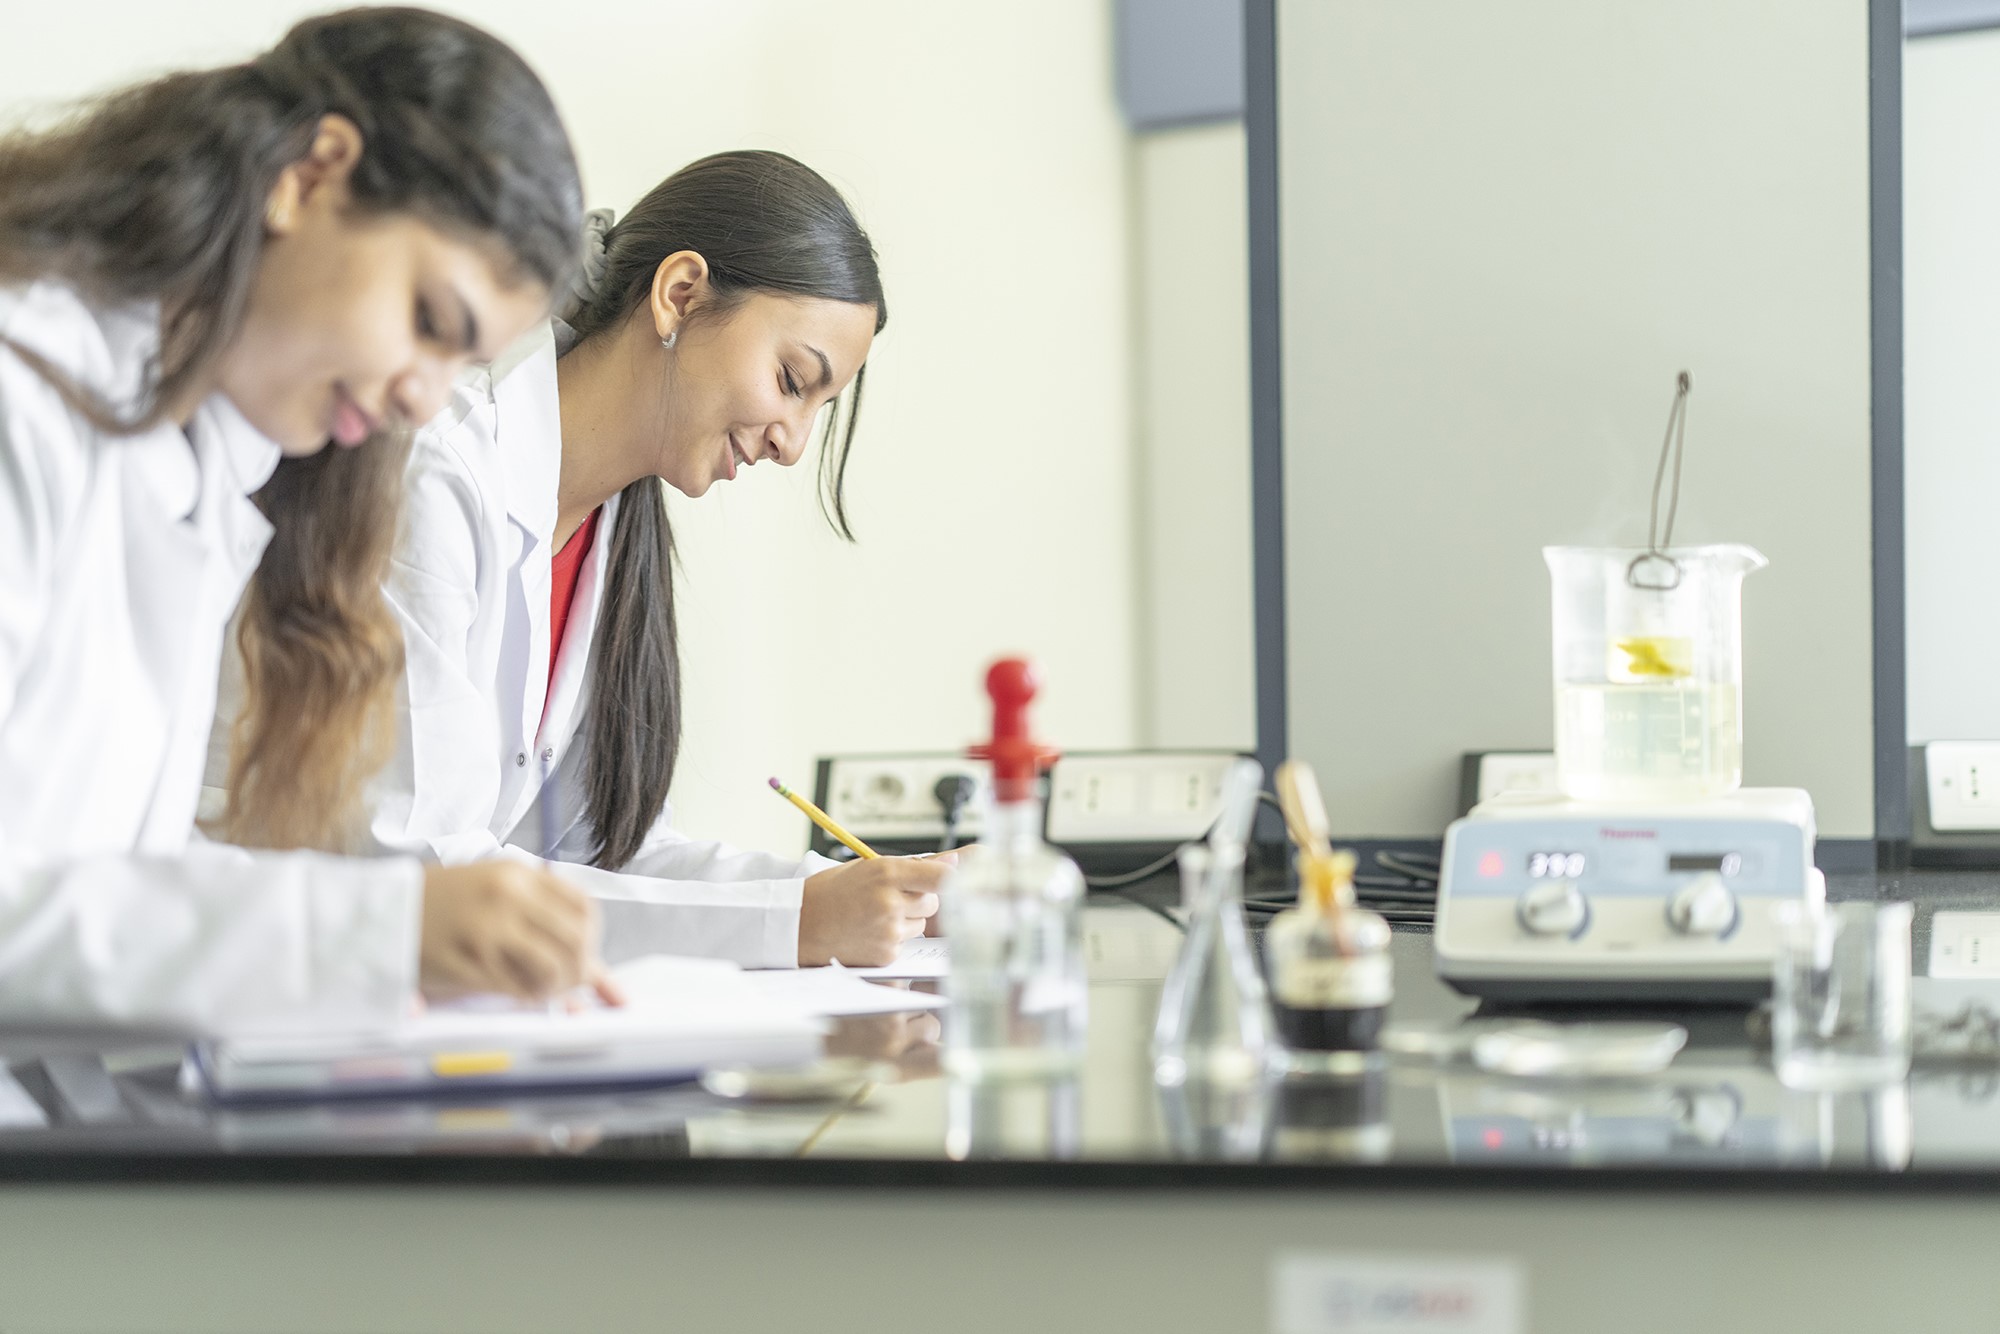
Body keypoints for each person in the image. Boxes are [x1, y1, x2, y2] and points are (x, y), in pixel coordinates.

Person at [0, 7, 609, 1034]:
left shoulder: (201, 471)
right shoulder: (25, 392)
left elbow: (97, 881)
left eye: (465, 364)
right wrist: (371, 929)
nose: (426, 397)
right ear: (312, 173)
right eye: (430, 323)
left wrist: (389, 941)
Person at [328, 150, 943, 968]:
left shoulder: (615, 525)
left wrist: (876, 897)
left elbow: (600, 859)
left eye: (817, 411)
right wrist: (791, 920)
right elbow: (421, 869)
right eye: (793, 381)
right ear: (679, 295)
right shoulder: (437, 474)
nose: (793, 446)